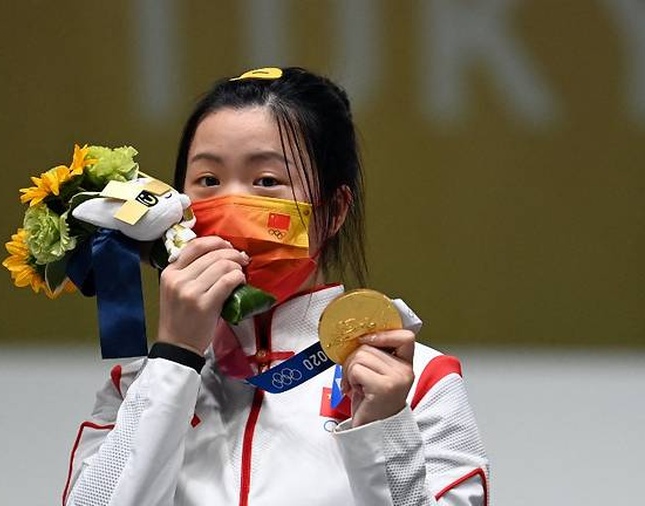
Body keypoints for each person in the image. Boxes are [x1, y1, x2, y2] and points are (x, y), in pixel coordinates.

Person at [63, 66, 489, 506]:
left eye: (266, 182)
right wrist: (175, 358)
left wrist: (384, 429)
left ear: (335, 210)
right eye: (208, 181)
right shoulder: (138, 385)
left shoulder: (416, 382)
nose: (230, 206)